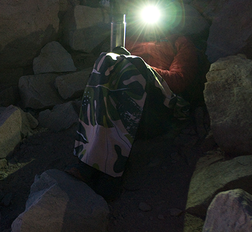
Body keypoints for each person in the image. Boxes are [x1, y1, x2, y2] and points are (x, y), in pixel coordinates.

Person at [65, 20, 199, 200]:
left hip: (157, 109)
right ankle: (88, 163)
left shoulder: (180, 43)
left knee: (131, 65)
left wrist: (144, 69)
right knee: (107, 59)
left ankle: (108, 175)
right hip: (122, 103)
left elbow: (180, 80)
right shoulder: (133, 39)